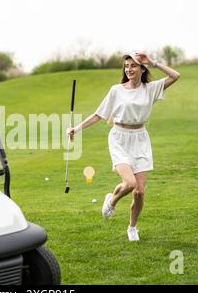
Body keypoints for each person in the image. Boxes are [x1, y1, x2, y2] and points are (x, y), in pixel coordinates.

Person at [67, 52, 180, 241]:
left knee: (139, 191)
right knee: (130, 183)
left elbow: (175, 76)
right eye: (126, 66)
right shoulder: (116, 90)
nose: (128, 69)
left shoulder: (150, 89)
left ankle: (132, 228)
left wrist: (153, 62)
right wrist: (76, 129)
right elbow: (98, 115)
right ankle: (111, 201)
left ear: (142, 68)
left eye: (133, 66)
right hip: (119, 138)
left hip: (140, 139)